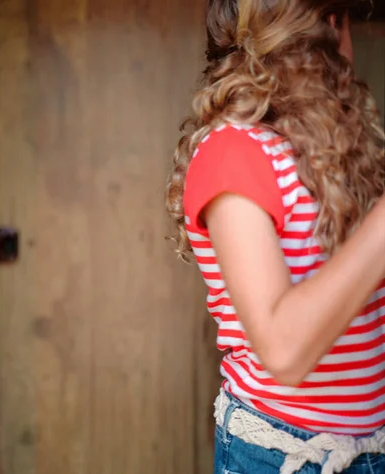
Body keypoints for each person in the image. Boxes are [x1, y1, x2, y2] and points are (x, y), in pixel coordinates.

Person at [166, 1, 385, 473]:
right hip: (283, 454)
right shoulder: (233, 150)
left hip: (367, 449)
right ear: (331, 29)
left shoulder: (330, 155)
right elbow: (283, 351)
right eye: (348, 24)